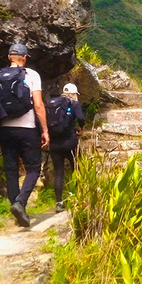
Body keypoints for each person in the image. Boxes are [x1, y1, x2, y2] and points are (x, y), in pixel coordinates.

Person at [0, 43, 49, 227]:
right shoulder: (31, 75)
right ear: (25, 58)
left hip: (4, 129)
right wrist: (45, 130)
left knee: (11, 170)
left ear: (9, 58)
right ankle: (20, 203)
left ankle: (17, 211)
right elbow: (38, 105)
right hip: (27, 128)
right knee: (33, 169)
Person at [48, 83, 85, 212]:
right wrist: (81, 128)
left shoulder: (52, 103)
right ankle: (75, 196)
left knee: (59, 172)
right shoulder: (74, 104)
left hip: (54, 144)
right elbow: (80, 118)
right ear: (74, 94)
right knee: (77, 168)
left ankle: (59, 203)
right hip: (70, 142)